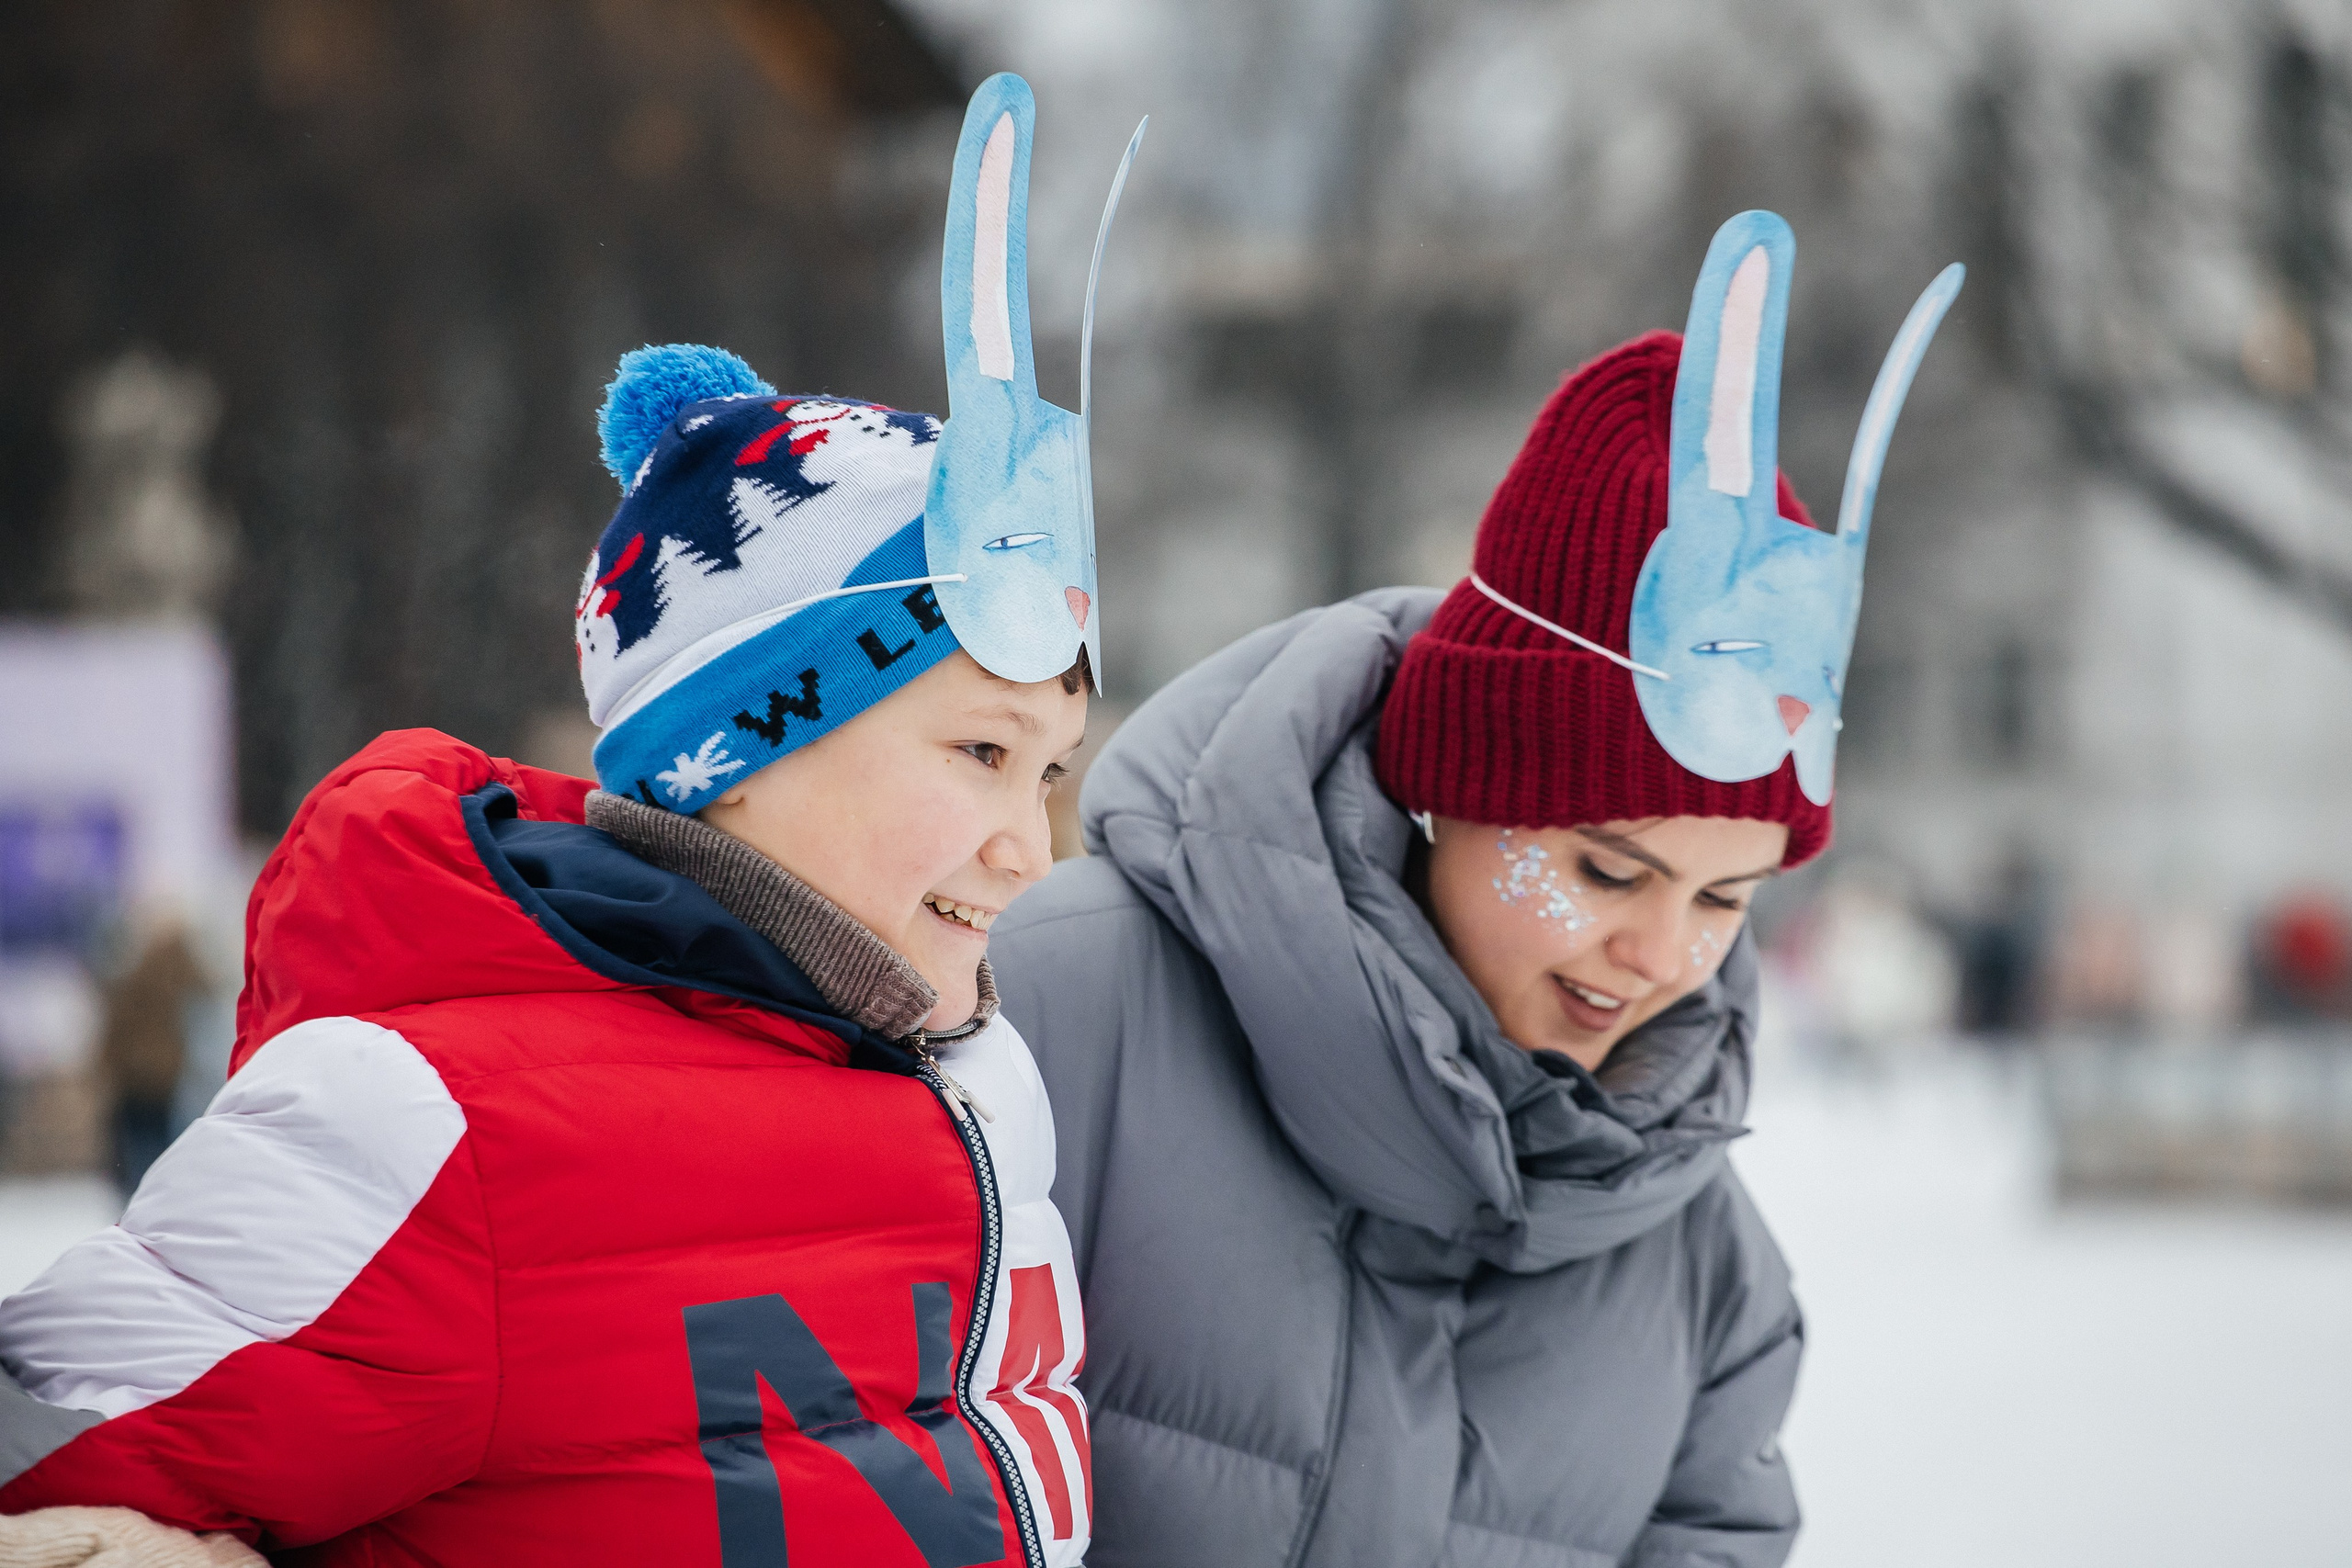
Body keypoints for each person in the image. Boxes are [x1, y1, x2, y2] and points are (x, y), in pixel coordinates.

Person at [0, 71, 1134, 1568]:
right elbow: (46, 1455)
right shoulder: (438, 1132)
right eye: (981, 750)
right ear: (742, 748)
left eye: (1049, 771)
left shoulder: (982, 1084)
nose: (1029, 847)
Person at [989, 213, 1961, 1564]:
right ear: (1444, 790)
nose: (1660, 953)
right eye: (1608, 869)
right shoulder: (1062, 1010)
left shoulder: (1703, 1261)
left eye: (1725, 900)